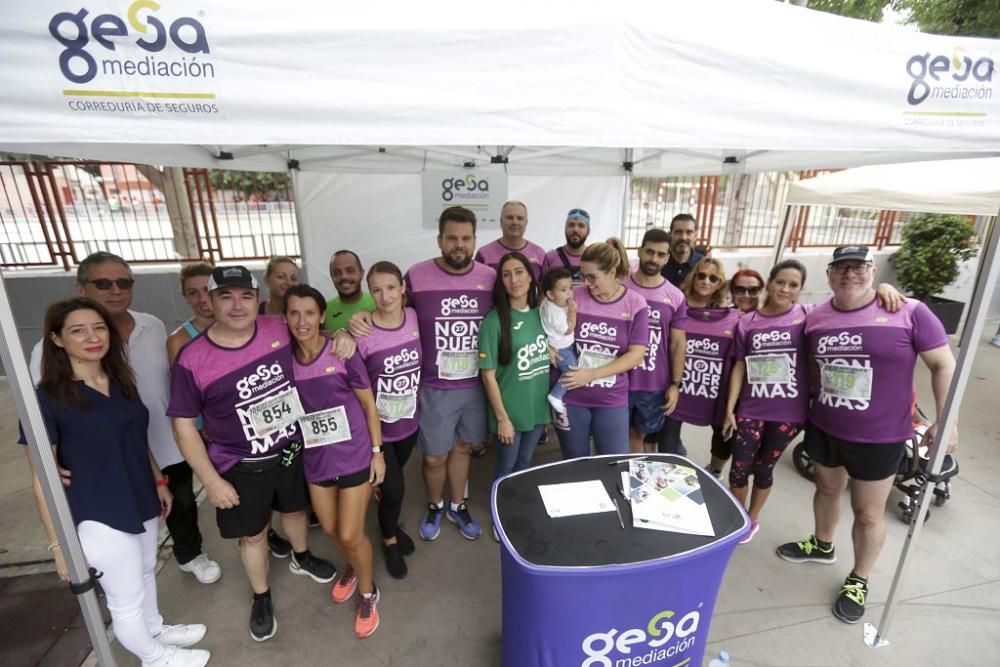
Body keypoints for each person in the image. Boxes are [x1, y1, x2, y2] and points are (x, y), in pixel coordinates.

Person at [24, 298, 210, 667]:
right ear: (57, 339)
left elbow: (136, 437)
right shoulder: (47, 397)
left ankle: (155, 628)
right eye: (78, 330)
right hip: (98, 509)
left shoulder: (119, 380)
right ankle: (153, 657)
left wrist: (158, 479)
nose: (92, 337)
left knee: (145, 573)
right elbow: (40, 477)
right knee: (124, 597)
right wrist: (58, 545)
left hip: (139, 493)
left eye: (99, 328)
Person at [777, 245, 956, 625]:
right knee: (825, 490)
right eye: (841, 268)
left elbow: (943, 364)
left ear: (872, 271)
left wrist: (947, 420)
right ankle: (823, 544)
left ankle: (859, 578)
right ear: (829, 275)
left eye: (858, 267)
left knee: (869, 512)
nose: (849, 274)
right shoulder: (816, 317)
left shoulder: (908, 311)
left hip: (880, 436)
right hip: (826, 427)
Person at [28, 252, 221, 586]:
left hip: (163, 439)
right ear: (81, 287)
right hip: (106, 456)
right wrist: (45, 460)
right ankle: (129, 577)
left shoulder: (153, 326)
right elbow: (41, 414)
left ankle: (190, 554)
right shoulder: (46, 352)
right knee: (121, 523)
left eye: (124, 282)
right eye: (103, 283)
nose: (115, 290)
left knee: (182, 502)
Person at [168, 266, 335, 642]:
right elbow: (182, 427)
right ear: (209, 302)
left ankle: (301, 556)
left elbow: (315, 335)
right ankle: (261, 596)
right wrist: (210, 480)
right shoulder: (191, 358)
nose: (237, 305)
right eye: (225, 296)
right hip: (242, 466)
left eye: (245, 295)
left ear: (258, 299)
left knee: (295, 511)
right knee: (255, 535)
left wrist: (343, 336)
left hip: (291, 450)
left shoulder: (278, 327)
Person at [349, 206, 495, 541]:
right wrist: (355, 324)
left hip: (475, 385)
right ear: (440, 239)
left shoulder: (488, 277)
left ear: (474, 240)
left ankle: (457, 505)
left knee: (462, 449)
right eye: (452, 238)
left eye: (466, 238)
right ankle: (434, 504)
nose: (459, 244)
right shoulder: (417, 275)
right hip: (432, 387)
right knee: (433, 458)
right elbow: (390, 309)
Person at [284, 285, 386, 639]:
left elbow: (369, 404)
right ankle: (355, 567)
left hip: (354, 453)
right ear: (285, 317)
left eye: (309, 313)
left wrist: (377, 452)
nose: (302, 321)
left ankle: (369, 592)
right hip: (317, 458)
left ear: (322, 315)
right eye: (294, 313)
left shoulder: (342, 352)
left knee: (350, 532)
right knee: (328, 529)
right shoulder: (284, 360)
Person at [721, 260, 809, 543]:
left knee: (764, 469)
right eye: (780, 282)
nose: (785, 289)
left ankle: (752, 518)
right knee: (739, 469)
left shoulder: (807, 316)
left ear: (800, 290)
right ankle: (738, 517)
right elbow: (739, 366)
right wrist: (730, 409)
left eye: (793, 285)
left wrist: (882, 288)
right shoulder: (748, 322)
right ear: (770, 283)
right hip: (751, 408)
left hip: (788, 412)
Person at [354, 261, 421, 579]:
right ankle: (390, 540)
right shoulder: (363, 332)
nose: (385, 296)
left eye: (391, 287)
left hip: (409, 423)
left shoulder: (414, 318)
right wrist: (343, 330)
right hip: (377, 429)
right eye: (376, 290)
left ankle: (391, 521)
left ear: (403, 287)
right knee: (394, 490)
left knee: (391, 486)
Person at [554, 238, 648, 459]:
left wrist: (592, 374)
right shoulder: (574, 296)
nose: (588, 283)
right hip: (571, 394)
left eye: (593, 277)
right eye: (584, 276)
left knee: (614, 463)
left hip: (611, 398)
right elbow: (549, 327)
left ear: (612, 272)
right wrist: (549, 349)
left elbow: (636, 355)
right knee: (574, 463)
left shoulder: (635, 303)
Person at [478, 252, 551, 532]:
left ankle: (514, 507)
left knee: (525, 463)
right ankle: (500, 518)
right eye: (506, 274)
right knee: (505, 468)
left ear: (531, 276)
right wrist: (502, 418)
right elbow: (488, 374)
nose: (514, 279)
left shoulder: (541, 314)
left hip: (536, 408)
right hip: (509, 412)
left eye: (519, 272)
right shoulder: (494, 321)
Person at [658, 258, 739, 457]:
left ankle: (715, 471)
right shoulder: (678, 304)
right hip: (675, 385)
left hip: (710, 388)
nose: (706, 281)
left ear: (720, 284)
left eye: (713, 278)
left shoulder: (729, 315)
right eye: (701, 275)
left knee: (722, 438)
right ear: (693, 277)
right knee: (667, 442)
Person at [626, 229, 688, 455]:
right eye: (649, 252)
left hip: (653, 384)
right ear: (640, 251)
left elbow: (678, 344)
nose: (653, 259)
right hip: (618, 379)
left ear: (667, 257)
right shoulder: (620, 285)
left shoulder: (675, 296)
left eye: (660, 254)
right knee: (611, 435)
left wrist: (675, 384)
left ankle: (627, 479)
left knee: (638, 436)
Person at [538, 267, 578, 415]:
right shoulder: (554, 311)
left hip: (559, 345)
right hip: (561, 348)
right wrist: (573, 312)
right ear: (550, 294)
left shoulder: (549, 304)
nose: (569, 293)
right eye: (563, 290)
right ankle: (556, 395)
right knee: (571, 370)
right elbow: (567, 329)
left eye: (571, 288)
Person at [474, 201, 546, 279]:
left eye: (520, 218)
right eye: (509, 217)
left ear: (526, 222)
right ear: (501, 221)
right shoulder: (484, 254)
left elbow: (546, 287)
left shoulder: (539, 254)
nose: (515, 222)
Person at [166, 262, 215, 365]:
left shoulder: (238, 326)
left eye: (207, 290)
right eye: (193, 293)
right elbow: (180, 380)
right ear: (186, 297)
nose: (202, 299)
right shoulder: (177, 340)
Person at [325, 250, 377, 333]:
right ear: (331, 276)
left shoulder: (378, 302)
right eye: (337, 272)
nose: (344, 276)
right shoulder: (325, 311)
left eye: (350, 270)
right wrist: (336, 334)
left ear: (362, 273)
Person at [541, 208, 591, 285]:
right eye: (571, 225)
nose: (575, 230)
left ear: (588, 231)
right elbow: (542, 293)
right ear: (565, 229)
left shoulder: (595, 258)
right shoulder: (551, 257)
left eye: (581, 226)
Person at [660, 214, 703, 287]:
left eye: (689, 232)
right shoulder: (659, 263)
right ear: (670, 235)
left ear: (695, 236)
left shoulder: (703, 265)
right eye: (678, 232)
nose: (683, 237)